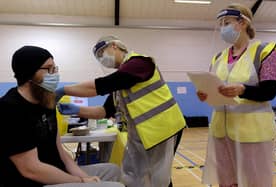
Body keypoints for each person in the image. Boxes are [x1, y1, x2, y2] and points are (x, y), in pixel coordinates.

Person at [55, 35, 186, 187]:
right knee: (133, 174)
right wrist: (77, 110)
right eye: (98, 57)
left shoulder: (139, 63)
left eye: (102, 52)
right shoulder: (120, 83)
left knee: (158, 178)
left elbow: (100, 86)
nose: (101, 58)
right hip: (141, 134)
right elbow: (103, 111)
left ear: (114, 46)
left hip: (162, 129)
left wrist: (64, 90)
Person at [0, 46, 124, 187]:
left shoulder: (46, 102)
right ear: (29, 73)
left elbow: (62, 154)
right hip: (36, 181)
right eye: (49, 69)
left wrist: (88, 179)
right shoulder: (10, 109)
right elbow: (31, 170)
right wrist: (81, 182)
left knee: (112, 171)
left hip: (58, 172)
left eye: (55, 68)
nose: (54, 74)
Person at [197, 4, 276, 187]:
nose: (222, 28)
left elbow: (270, 92)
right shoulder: (218, 57)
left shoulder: (266, 51)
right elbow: (216, 89)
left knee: (254, 182)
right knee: (227, 182)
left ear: (242, 23)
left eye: (227, 22)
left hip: (252, 134)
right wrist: (206, 94)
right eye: (220, 24)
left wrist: (243, 89)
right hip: (221, 132)